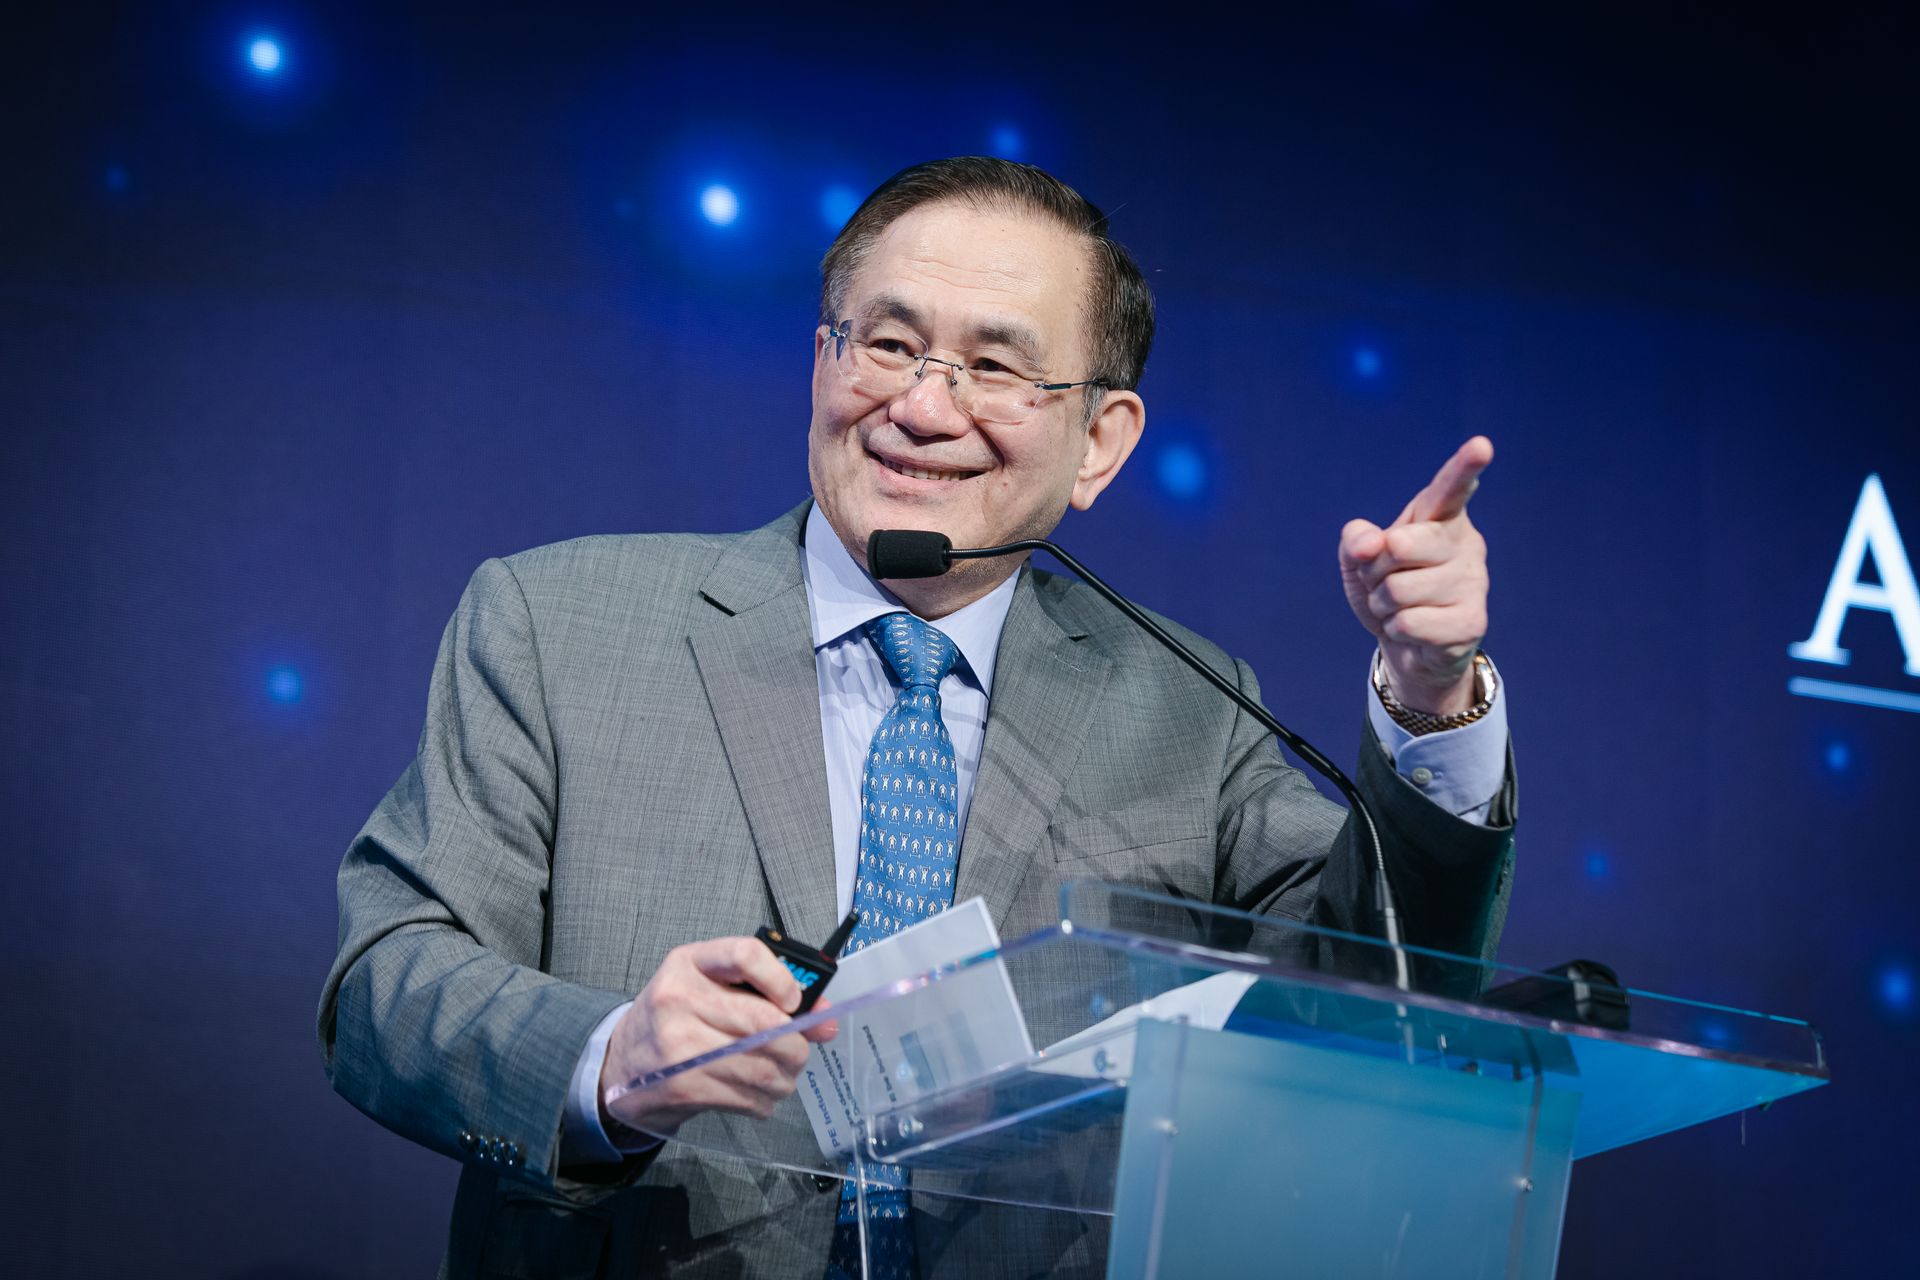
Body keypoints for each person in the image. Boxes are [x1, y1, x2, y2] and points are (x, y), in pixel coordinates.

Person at [320, 156, 1513, 1278]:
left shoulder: (1189, 706)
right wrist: (612, 1059)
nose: (923, 406)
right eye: (886, 344)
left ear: (1100, 440)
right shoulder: (557, 621)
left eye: (994, 367)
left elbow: (1370, 994)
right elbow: (387, 984)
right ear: (822, 362)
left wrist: (1430, 687)